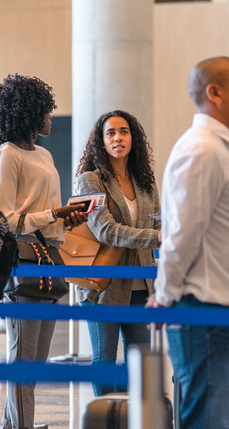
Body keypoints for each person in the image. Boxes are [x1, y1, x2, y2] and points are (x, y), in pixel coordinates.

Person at [147, 57, 229, 429]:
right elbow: (181, 234)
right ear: (214, 92)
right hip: (209, 316)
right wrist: (165, 295)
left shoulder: (220, 149)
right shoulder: (201, 150)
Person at [0, 73, 86, 429]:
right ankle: (20, 426)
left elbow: (47, 215)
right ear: (29, 113)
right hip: (23, 260)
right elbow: (3, 220)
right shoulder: (6, 154)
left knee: (37, 359)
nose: (50, 117)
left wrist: (64, 220)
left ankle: (13, 424)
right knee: (22, 359)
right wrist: (51, 215)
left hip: (49, 257)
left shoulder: (42, 153)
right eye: (45, 110)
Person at [74, 110, 160, 396]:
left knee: (140, 363)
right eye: (110, 133)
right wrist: (155, 237)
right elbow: (106, 231)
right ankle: (106, 419)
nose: (118, 137)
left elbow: (157, 222)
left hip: (142, 286)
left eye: (123, 131)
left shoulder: (145, 182)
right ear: (101, 141)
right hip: (103, 287)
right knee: (105, 360)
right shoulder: (91, 181)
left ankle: (135, 419)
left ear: (133, 138)